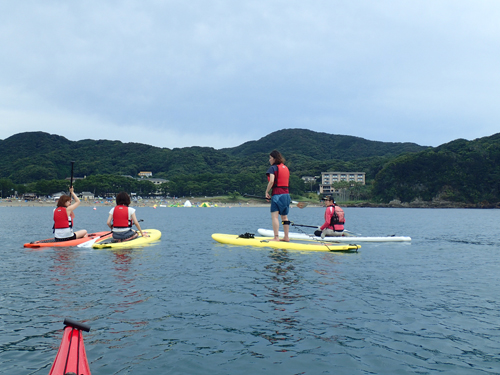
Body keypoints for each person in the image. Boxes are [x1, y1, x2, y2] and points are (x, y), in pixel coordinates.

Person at [265, 150, 291, 242]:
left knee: (275, 216)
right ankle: (286, 237)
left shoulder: (273, 168)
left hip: (277, 194)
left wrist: (267, 192)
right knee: (284, 217)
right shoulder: (286, 168)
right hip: (286, 195)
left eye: (270, 158)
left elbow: (272, 181)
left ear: (274, 159)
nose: (269, 160)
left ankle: (276, 237)